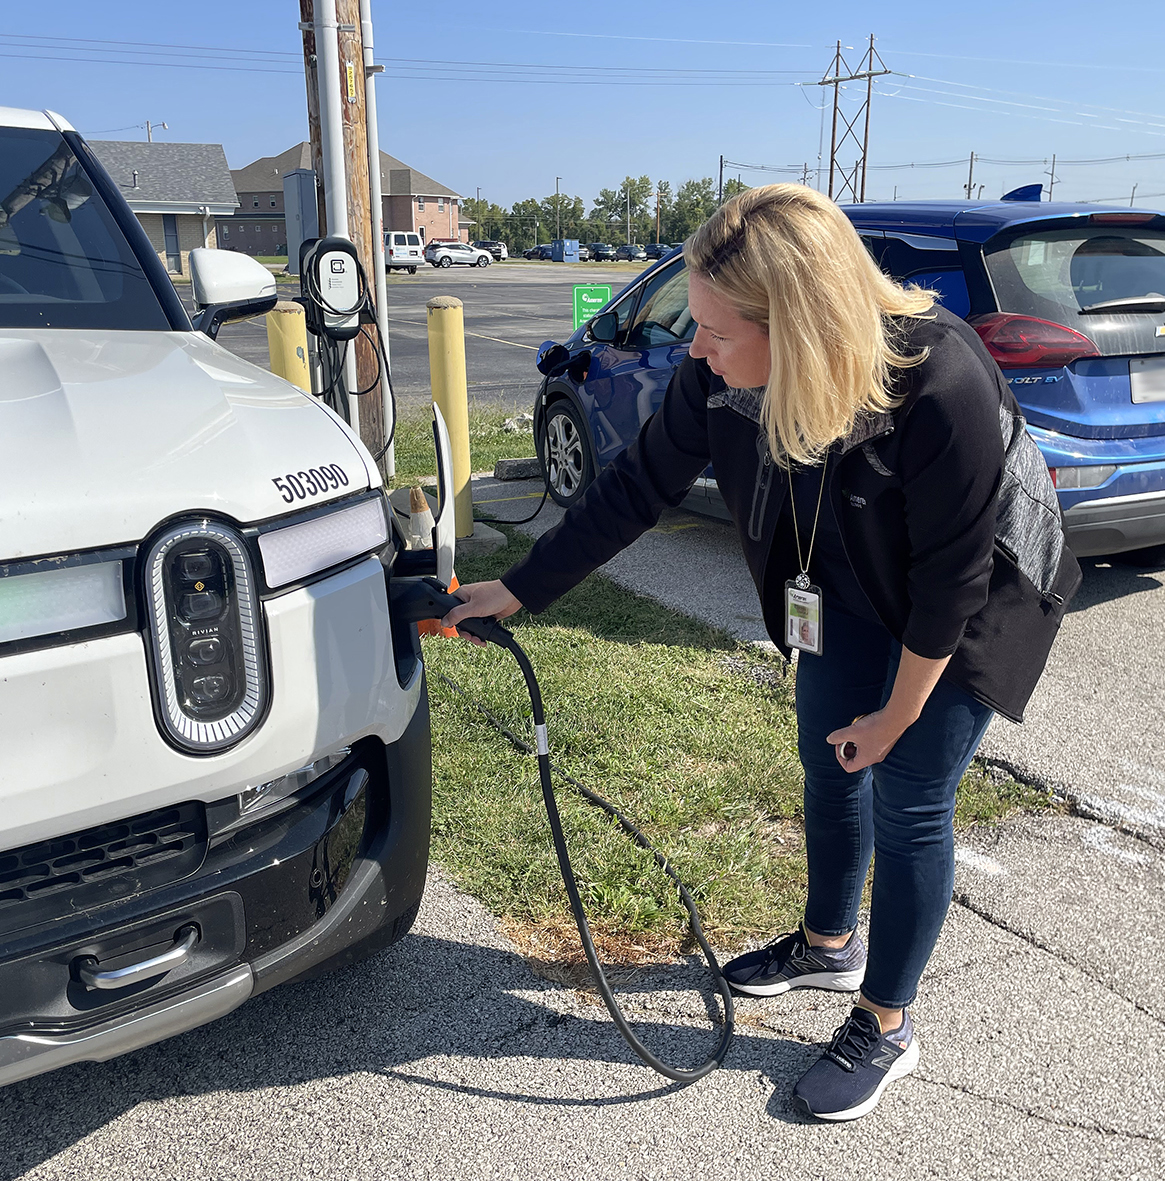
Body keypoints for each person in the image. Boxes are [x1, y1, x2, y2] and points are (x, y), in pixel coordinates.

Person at [444, 184, 1080, 1122]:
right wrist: (521, 587)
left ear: (802, 324)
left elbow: (950, 582)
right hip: (846, 586)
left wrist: (898, 713)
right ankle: (830, 946)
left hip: (969, 603)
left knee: (907, 797)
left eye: (711, 329)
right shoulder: (719, 369)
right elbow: (636, 486)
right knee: (828, 760)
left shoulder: (938, 377)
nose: (691, 349)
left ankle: (887, 1021)